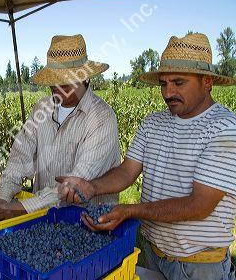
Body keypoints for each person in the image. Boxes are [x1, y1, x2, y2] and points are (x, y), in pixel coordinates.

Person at [57, 33, 236, 280]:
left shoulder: (224, 129)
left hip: (198, 266)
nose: (167, 92)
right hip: (150, 254)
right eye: (164, 83)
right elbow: (127, 171)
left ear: (207, 82)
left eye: (178, 82)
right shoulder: (154, 122)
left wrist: (129, 211)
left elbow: (199, 205)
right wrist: (91, 186)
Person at [0, 34, 121, 223]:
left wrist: (19, 208)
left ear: (84, 77)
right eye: (54, 79)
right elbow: (19, 158)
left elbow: (74, 184)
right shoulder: (41, 109)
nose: (57, 86)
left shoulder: (102, 118)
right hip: (42, 220)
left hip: (90, 222)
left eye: (65, 80)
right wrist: (2, 198)